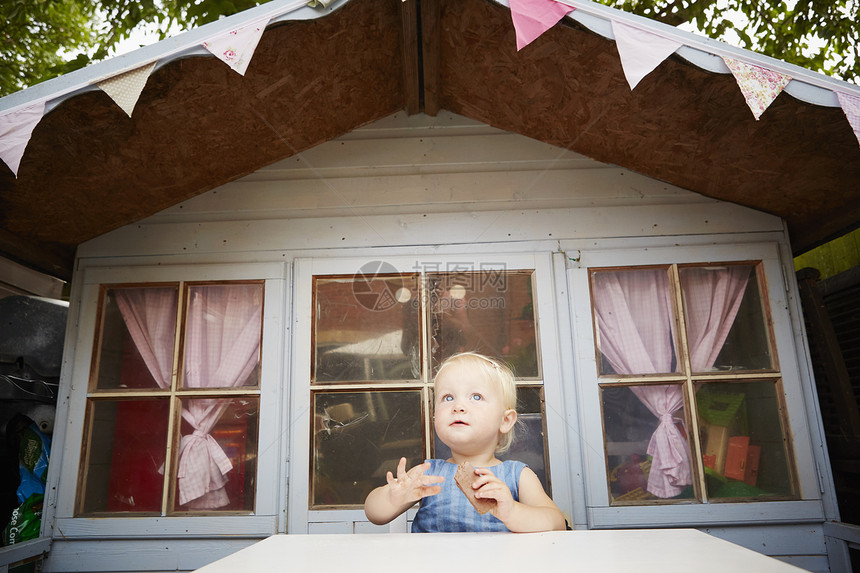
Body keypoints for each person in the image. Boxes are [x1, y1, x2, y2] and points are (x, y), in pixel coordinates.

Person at [364, 352, 565, 532]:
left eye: (476, 396)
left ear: (505, 421)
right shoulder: (428, 473)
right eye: (448, 397)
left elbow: (557, 523)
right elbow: (374, 514)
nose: (458, 406)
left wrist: (512, 511)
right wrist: (392, 498)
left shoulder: (517, 476)